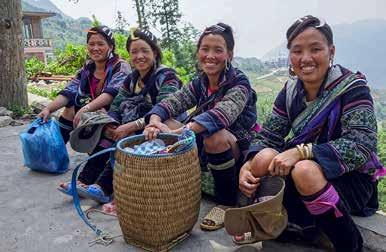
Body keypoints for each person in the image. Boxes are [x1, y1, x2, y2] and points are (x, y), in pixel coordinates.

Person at [238, 15, 385, 251]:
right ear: (290, 56)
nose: (305, 59)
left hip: (351, 181)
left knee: (305, 170)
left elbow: (361, 145)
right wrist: (247, 165)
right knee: (263, 157)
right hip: (302, 176)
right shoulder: (290, 91)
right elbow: (268, 136)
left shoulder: (353, 89)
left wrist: (302, 152)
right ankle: (284, 228)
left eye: (315, 49)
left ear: (331, 51)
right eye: (297, 51)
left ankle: (349, 244)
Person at [144, 23, 258, 231]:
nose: (210, 56)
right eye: (205, 49)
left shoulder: (239, 82)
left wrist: (180, 132)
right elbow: (173, 102)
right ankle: (181, 183)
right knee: (166, 123)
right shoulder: (200, 82)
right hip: (200, 138)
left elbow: (221, 115)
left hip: (234, 147)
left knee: (215, 136)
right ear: (198, 52)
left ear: (229, 55)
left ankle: (226, 202)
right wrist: (154, 121)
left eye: (218, 50)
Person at [58, 28, 185, 203]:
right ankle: (84, 180)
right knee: (109, 132)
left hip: (165, 130)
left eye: (145, 51)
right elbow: (117, 105)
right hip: (139, 124)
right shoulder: (131, 79)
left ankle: (104, 187)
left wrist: (130, 126)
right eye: (134, 52)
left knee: (129, 136)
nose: (139, 56)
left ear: (154, 52)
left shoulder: (167, 77)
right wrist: (112, 124)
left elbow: (163, 111)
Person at [38, 25, 130, 142]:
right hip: (97, 113)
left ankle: (101, 152)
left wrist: (86, 108)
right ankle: (56, 151)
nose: (95, 48)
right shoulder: (87, 70)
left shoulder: (120, 66)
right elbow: (69, 91)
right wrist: (48, 109)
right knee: (70, 108)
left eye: (100, 44)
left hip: (116, 114)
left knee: (93, 116)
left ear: (110, 47)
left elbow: (110, 94)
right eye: (91, 44)